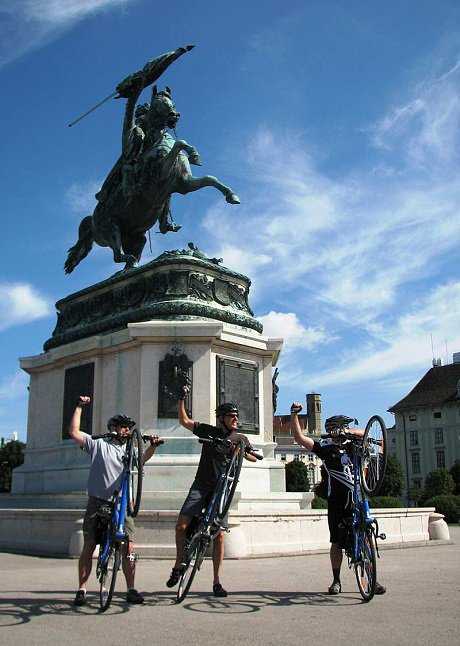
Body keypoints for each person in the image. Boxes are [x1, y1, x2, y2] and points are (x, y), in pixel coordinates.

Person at [69, 395, 163, 606]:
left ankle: (131, 588)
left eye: (129, 428)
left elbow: (141, 461)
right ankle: (82, 589)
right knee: (90, 543)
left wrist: (153, 447)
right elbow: (74, 433)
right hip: (98, 500)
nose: (127, 431)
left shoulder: (129, 449)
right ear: (113, 428)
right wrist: (79, 407)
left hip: (123, 504)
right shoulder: (99, 444)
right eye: (123, 427)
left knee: (129, 548)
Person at [166, 389, 257, 597]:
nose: (236, 419)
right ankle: (179, 564)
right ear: (221, 419)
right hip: (202, 485)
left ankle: (217, 581)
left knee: (220, 536)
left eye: (236, 416)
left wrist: (240, 451)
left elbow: (251, 457)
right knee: (181, 526)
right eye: (231, 416)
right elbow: (184, 421)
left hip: (222, 490)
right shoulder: (208, 431)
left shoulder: (240, 438)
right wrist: (181, 398)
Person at [290, 402, 386, 596]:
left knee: (365, 536)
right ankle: (336, 580)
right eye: (338, 428)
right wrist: (294, 415)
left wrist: (348, 432)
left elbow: (371, 434)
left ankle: (371, 579)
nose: (342, 431)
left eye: (344, 427)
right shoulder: (326, 449)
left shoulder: (355, 446)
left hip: (358, 498)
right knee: (336, 542)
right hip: (337, 502)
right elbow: (300, 438)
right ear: (331, 431)